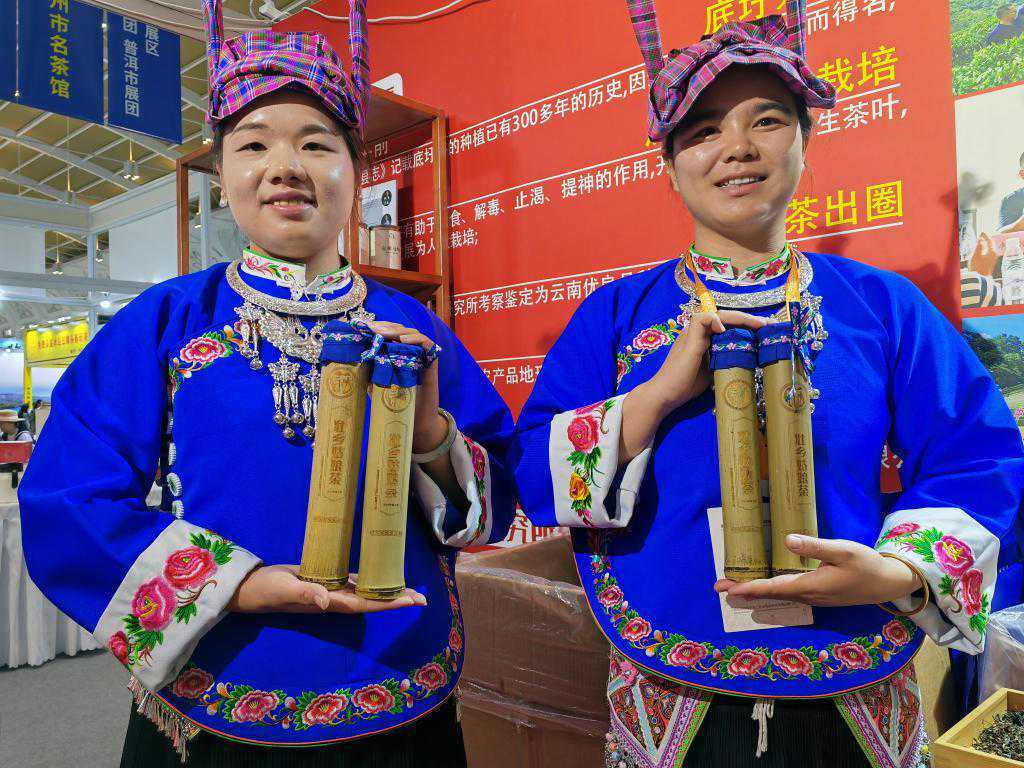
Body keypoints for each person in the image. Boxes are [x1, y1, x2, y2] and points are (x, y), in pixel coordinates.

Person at [511, 2, 1024, 767]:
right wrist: (656, 395)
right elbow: (532, 475)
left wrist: (895, 573)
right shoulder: (617, 316)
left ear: (807, 140)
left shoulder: (881, 308)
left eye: (768, 120)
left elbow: (975, 456)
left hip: (856, 671)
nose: (738, 147)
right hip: (672, 679)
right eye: (703, 130)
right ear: (669, 164)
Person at [18, 1, 516, 766]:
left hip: (398, 682)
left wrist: (428, 434)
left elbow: (495, 505)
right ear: (223, 173)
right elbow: (67, 499)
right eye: (254, 144)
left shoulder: (413, 330)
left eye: (316, 143)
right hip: (216, 684)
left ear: (356, 170)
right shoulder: (166, 322)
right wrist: (238, 585)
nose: (286, 166)